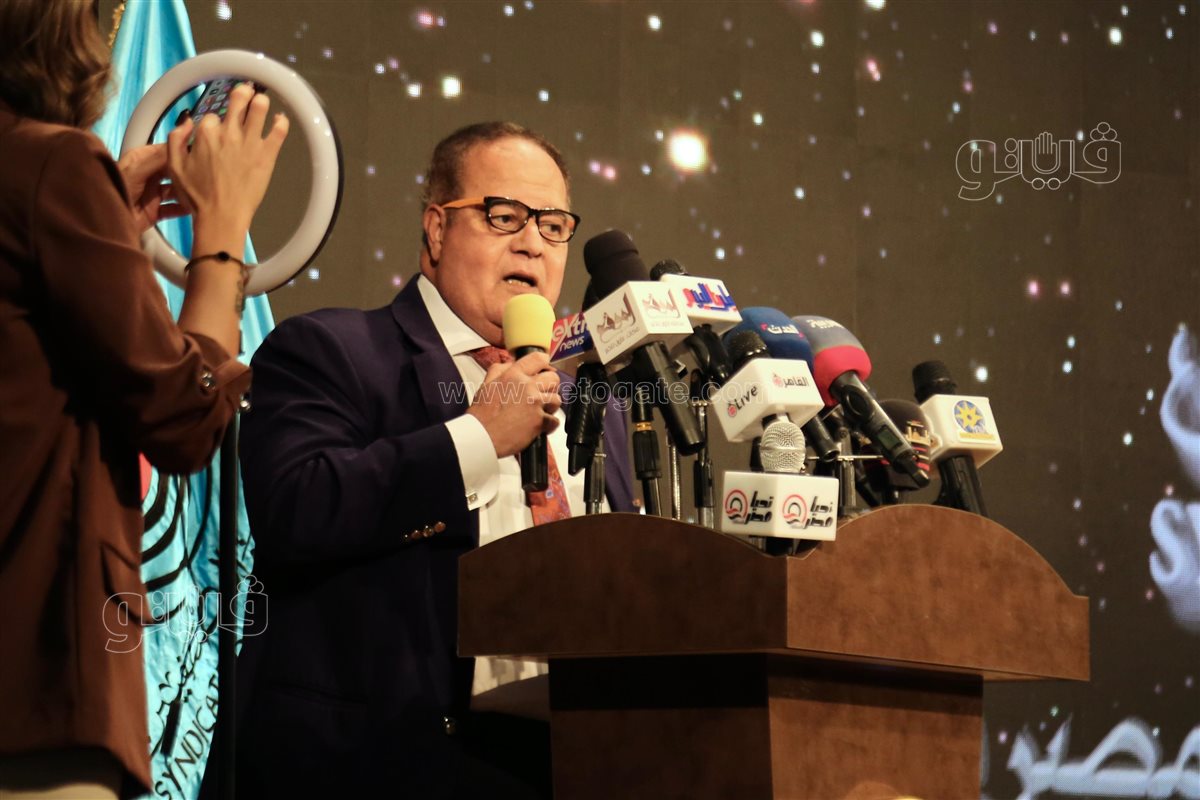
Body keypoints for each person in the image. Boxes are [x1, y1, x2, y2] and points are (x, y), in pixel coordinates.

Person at [229, 122, 636, 798]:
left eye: (553, 226)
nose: (533, 243)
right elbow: (294, 511)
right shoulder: (332, 349)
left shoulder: (601, 407)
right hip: (377, 767)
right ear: (437, 229)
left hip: (570, 766)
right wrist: (477, 437)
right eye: (504, 216)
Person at [0, 1, 288, 797]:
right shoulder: (46, 163)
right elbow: (185, 414)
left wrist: (99, 227)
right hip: (37, 696)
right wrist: (221, 234)